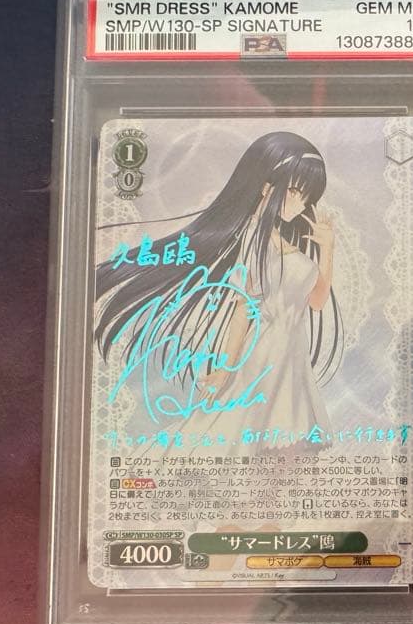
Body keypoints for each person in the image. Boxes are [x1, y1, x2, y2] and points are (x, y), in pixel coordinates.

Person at [94, 130, 343, 448]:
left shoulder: (277, 238)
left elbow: (317, 301)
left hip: (291, 356)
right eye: (294, 191)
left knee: (278, 446)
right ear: (266, 186)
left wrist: (327, 249)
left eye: (306, 197)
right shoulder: (252, 239)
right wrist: (224, 370)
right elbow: (243, 308)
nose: (299, 204)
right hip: (265, 355)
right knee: (256, 442)